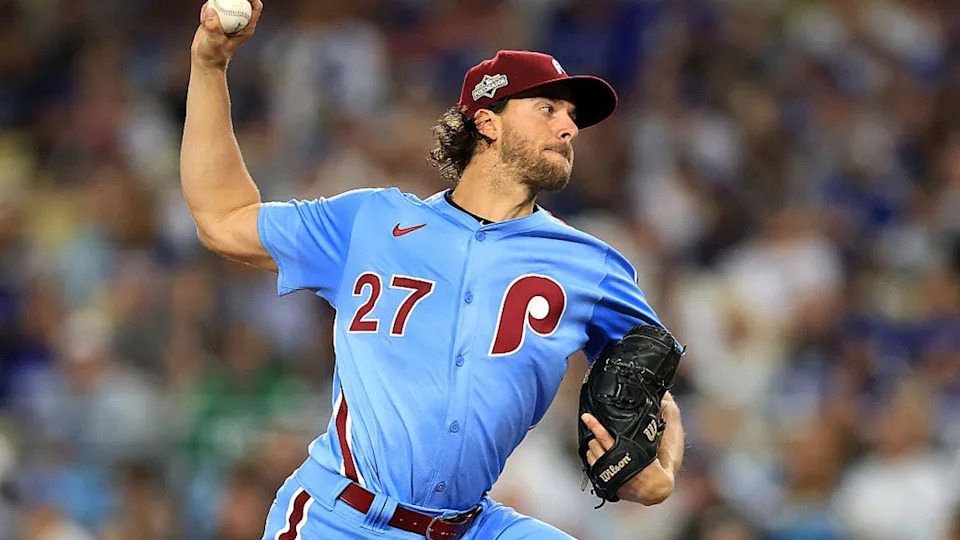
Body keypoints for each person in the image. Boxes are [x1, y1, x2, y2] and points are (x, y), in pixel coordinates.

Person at [182, 2, 685, 539]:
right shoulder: (373, 221)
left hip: (470, 525)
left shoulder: (591, 266)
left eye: (573, 117)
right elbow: (223, 219)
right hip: (343, 516)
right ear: (486, 120)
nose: (569, 127)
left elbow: (647, 375)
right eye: (548, 108)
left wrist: (665, 470)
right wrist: (209, 68)